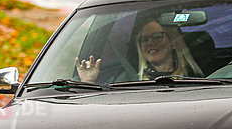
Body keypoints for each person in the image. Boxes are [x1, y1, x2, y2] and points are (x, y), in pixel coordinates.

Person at [75, 16, 203, 82]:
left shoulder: (196, 78)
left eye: (157, 37)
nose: (150, 43)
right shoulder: (127, 79)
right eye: (144, 39)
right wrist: (88, 81)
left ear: (173, 42)